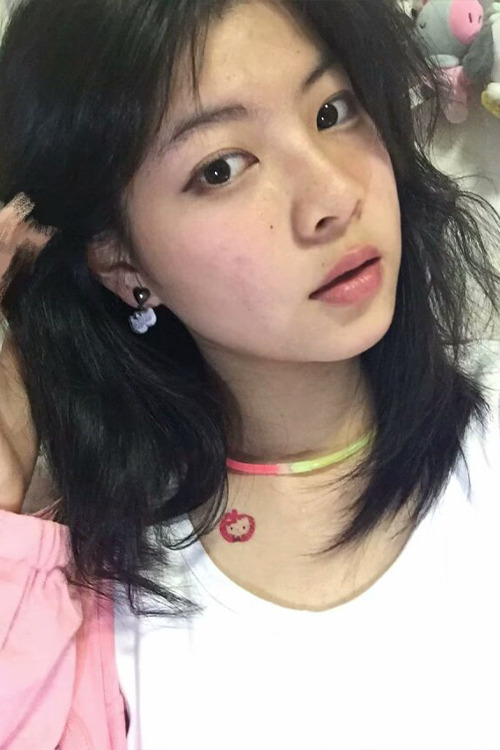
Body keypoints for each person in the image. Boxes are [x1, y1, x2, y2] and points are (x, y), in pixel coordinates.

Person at [0, 0, 499, 748]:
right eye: (221, 168)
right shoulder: (94, 594)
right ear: (121, 263)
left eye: (332, 111)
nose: (333, 195)